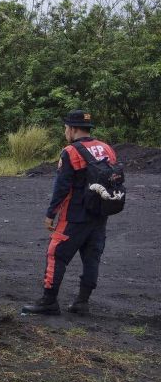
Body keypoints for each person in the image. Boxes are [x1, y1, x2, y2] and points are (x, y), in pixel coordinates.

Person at [22, 110, 118, 316]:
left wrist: (50, 214)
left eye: (66, 128)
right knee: (92, 258)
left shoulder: (70, 152)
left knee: (55, 254)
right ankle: (82, 302)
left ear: (73, 129)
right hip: (100, 214)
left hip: (74, 215)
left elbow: (62, 187)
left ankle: (49, 301)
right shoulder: (107, 148)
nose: (65, 132)